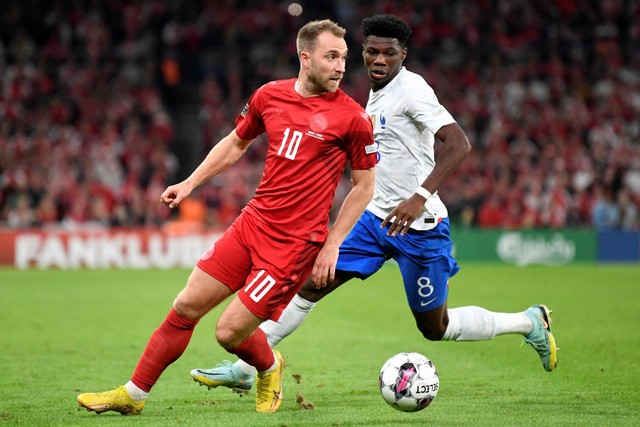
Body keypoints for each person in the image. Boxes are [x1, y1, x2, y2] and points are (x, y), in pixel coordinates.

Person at [190, 14, 558, 395]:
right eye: (371, 52)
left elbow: (458, 143)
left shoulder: (412, 90)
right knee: (308, 286)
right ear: (362, 53)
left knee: (435, 328)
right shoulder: (373, 92)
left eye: (389, 53)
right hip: (373, 220)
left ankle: (528, 322)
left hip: (419, 227)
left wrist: (419, 197)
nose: (379, 60)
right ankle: (248, 367)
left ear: (404, 54)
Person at [76, 19, 377, 415]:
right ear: (305, 58)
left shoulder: (353, 118)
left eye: (343, 58)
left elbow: (364, 186)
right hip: (252, 223)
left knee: (229, 333)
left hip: (293, 245)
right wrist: (189, 183)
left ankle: (269, 365)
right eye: (331, 57)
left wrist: (332, 244)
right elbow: (236, 143)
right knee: (185, 306)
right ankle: (132, 396)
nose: (341, 67)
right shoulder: (269, 96)